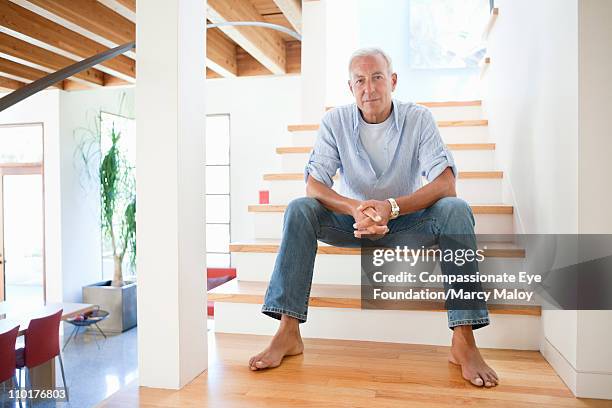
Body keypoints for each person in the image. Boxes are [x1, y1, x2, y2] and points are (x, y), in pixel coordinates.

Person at [248, 47, 499, 388]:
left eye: (377, 77)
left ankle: (464, 339)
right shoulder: (334, 122)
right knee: (299, 208)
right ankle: (288, 331)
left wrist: (392, 207)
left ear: (392, 81)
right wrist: (354, 208)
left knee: (456, 209)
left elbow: (445, 182)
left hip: (407, 221)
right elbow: (314, 184)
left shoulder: (419, 118)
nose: (370, 88)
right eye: (360, 81)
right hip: (352, 222)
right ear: (350, 87)